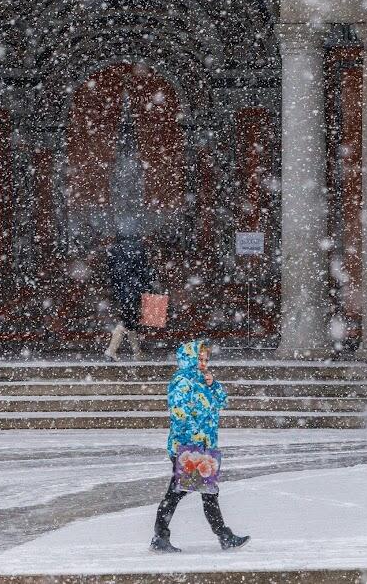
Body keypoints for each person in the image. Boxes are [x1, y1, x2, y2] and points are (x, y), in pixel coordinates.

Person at [151, 340, 249, 553]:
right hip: (188, 448)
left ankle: (223, 535)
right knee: (180, 493)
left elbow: (222, 402)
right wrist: (191, 441)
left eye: (206, 359)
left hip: (204, 446)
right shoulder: (182, 380)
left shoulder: (204, 380)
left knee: (206, 493)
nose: (204, 363)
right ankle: (161, 536)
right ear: (190, 359)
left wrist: (214, 384)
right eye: (200, 359)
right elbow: (178, 413)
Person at [105, 233, 151, 361]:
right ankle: (111, 350)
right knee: (128, 321)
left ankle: (137, 352)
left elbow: (112, 273)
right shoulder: (138, 250)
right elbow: (143, 272)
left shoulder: (114, 250)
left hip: (122, 291)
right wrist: (147, 287)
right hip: (135, 290)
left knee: (131, 320)